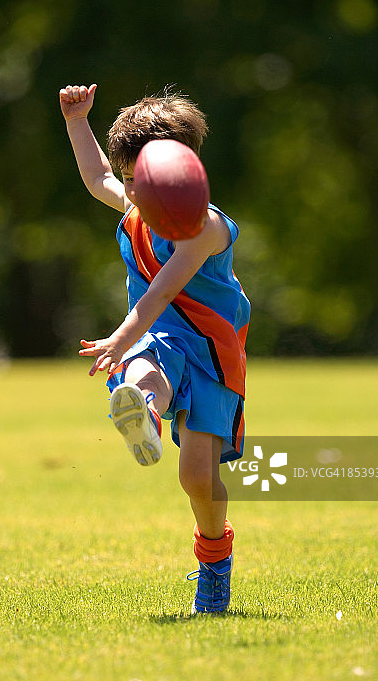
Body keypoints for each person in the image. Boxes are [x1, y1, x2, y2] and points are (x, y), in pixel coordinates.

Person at [59, 83, 250, 614]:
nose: (129, 193)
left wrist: (118, 336)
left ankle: (215, 565)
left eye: (139, 182)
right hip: (156, 334)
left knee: (197, 479)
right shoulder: (138, 201)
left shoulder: (206, 229)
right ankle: (142, 409)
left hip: (212, 352)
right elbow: (97, 178)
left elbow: (165, 288)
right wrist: (78, 121)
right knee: (147, 363)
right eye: (130, 182)